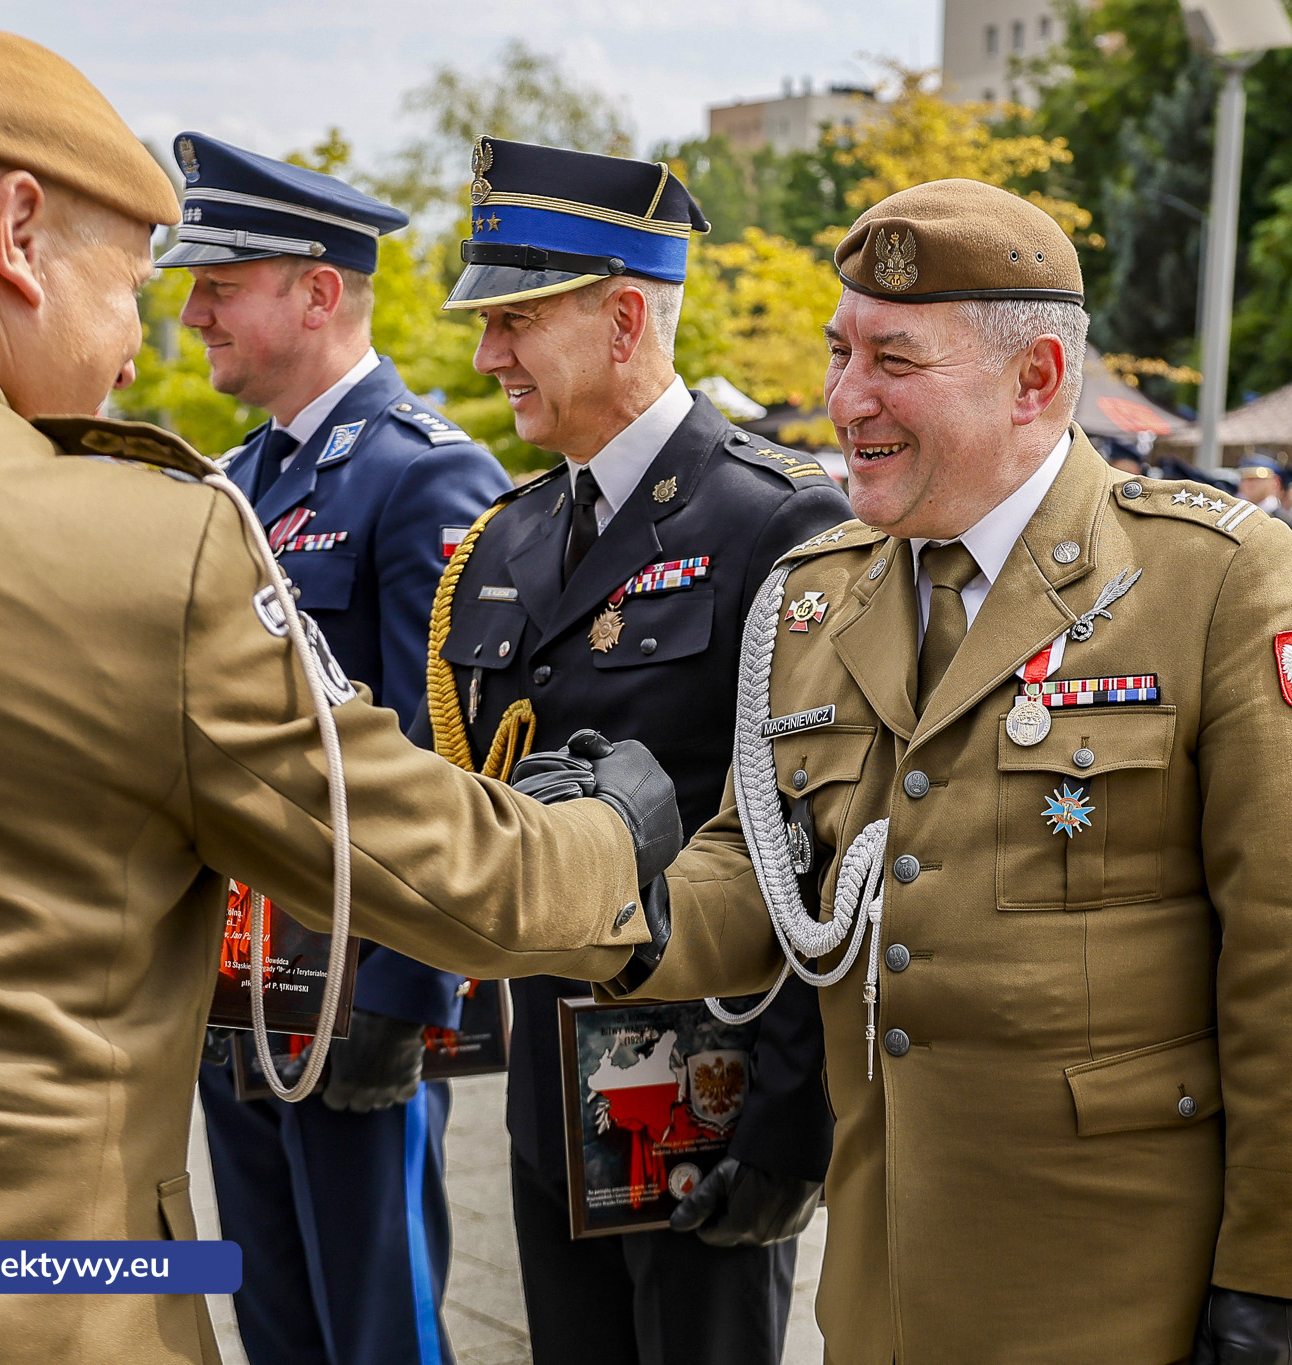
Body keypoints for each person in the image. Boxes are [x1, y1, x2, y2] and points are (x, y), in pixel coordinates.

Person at [0, 28, 676, 1364]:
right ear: (17, 232)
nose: (141, 344)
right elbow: (411, 837)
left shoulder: (387, 474)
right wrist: (616, 836)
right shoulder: (135, 539)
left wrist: (388, 1014)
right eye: (132, 285)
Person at [561, 179, 1292, 1362]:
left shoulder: (1211, 579)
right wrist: (585, 873)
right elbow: (759, 877)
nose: (843, 400)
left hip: (1115, 1296)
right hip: (884, 1289)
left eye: (893, 360)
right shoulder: (816, 592)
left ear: (1033, 380)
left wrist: (1282, 1287)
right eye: (840, 353)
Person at [423, 136, 849, 1365]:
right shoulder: (507, 537)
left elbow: (811, 845)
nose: (485, 354)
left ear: (622, 320)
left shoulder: (775, 518)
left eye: (516, 320)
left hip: (700, 1086)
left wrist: (783, 1127)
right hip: (547, 1093)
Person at [155, 132, 516, 1365]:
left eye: (221, 282)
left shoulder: (423, 476)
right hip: (242, 979)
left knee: (378, 1327)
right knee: (276, 1323)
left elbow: (441, 759)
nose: (192, 309)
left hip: (348, 994)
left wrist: (405, 995)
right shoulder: (238, 477)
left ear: (317, 291)